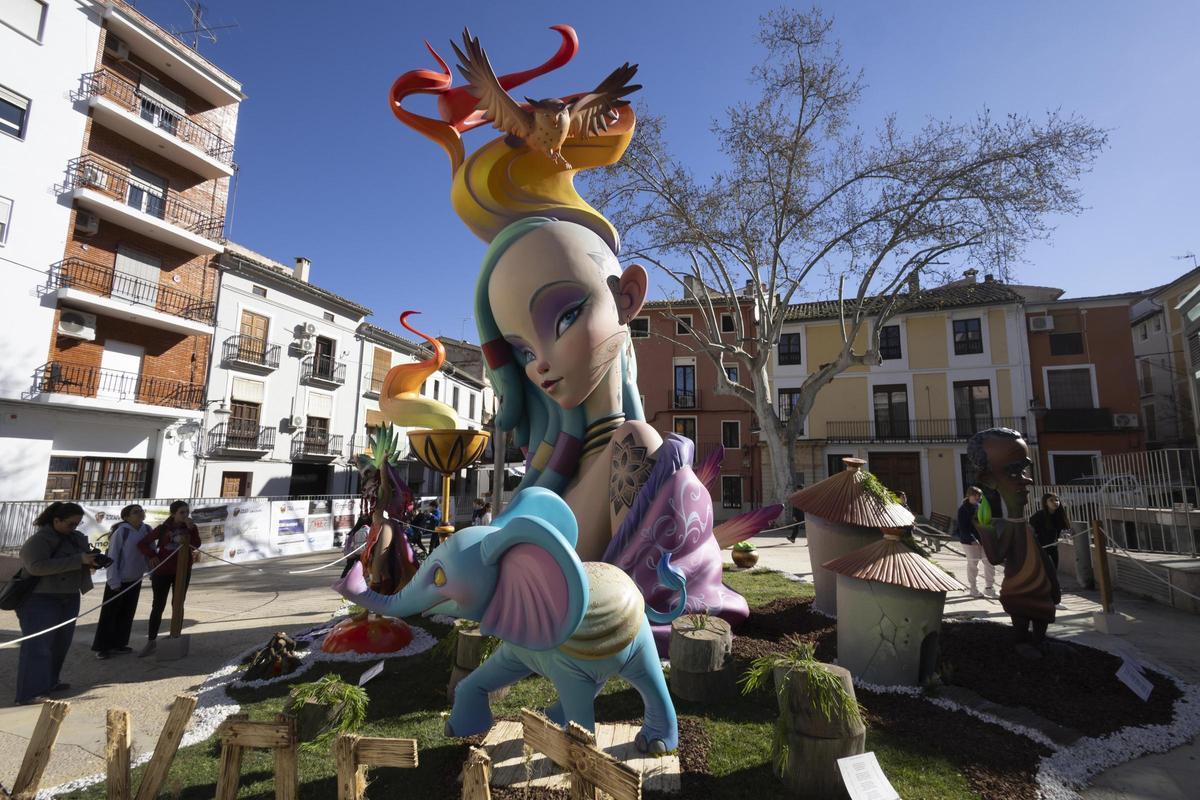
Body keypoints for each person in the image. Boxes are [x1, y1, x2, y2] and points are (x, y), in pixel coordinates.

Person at [967, 428, 1061, 648]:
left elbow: (1041, 556)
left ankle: (1039, 642)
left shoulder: (1025, 527)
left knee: (1041, 620)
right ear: (989, 479)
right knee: (1021, 617)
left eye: (1024, 471)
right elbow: (996, 556)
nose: (1025, 481)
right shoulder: (1013, 528)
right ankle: (1022, 643)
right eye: (1013, 472)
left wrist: (1054, 586)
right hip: (1018, 591)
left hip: (1039, 591)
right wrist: (985, 531)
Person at [15, 502, 98, 705]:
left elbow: (81, 559)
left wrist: (92, 562)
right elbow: (36, 567)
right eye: (71, 524)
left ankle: (50, 681)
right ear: (56, 521)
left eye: (77, 524)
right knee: (38, 646)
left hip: (69, 595)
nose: (74, 528)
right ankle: (29, 692)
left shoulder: (76, 538)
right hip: (41, 597)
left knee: (60, 643)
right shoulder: (39, 540)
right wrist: (78, 560)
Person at [137, 500, 200, 656]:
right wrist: (152, 555)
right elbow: (143, 543)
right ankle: (151, 641)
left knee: (178, 603)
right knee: (158, 605)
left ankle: (175, 636)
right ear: (173, 514)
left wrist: (191, 530)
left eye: (187, 512)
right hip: (163, 570)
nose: (185, 515)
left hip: (183, 569)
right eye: (182, 512)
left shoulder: (191, 527)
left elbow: (196, 544)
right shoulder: (163, 528)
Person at [91, 505, 151, 659]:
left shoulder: (147, 529)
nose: (139, 513)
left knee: (127, 612)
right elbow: (113, 557)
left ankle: (119, 643)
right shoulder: (122, 532)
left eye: (141, 511)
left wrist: (151, 571)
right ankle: (102, 647)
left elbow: (150, 552)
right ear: (126, 517)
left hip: (135, 578)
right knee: (110, 614)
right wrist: (114, 581)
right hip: (119, 579)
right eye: (135, 512)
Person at [955, 486, 995, 598]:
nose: (978, 497)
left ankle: (989, 588)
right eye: (975, 495)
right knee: (973, 564)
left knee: (989, 562)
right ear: (969, 495)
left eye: (979, 495)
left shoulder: (980, 507)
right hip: (969, 541)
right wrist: (972, 539)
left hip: (983, 540)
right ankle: (973, 589)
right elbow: (963, 528)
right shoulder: (963, 509)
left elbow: (985, 523)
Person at [1029, 492, 1071, 573]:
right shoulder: (1039, 515)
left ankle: (1053, 584)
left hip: (1053, 546)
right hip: (1041, 547)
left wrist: (1065, 534)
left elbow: (1063, 529)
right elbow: (1031, 528)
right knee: (1044, 569)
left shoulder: (1059, 515)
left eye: (1057, 500)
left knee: (1054, 568)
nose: (1055, 502)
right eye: (1051, 500)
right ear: (1045, 503)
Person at [341, 513, 371, 579]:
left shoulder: (354, 530)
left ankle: (343, 579)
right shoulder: (366, 530)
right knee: (361, 568)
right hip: (361, 552)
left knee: (348, 567)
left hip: (352, 552)